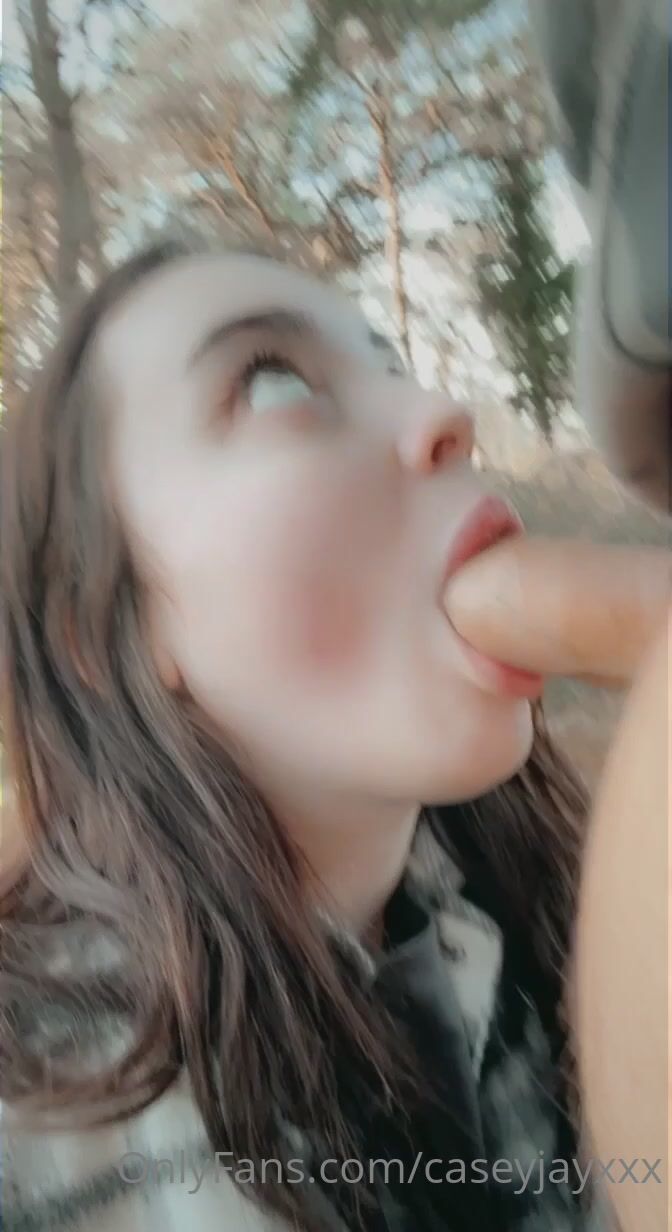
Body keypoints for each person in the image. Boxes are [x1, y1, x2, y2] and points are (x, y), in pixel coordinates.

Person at [1, 235, 604, 1232]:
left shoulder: (571, 928)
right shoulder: (30, 1124)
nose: (444, 411)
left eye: (394, 368)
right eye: (274, 382)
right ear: (103, 633)